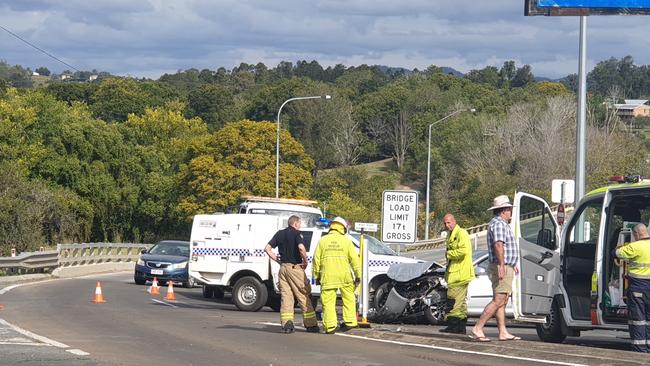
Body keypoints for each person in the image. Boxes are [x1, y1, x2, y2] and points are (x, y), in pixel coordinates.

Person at [470, 195, 521, 342]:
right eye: (509, 209)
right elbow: (498, 245)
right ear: (504, 210)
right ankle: (478, 327)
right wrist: (502, 265)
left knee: (502, 299)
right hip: (501, 265)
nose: (511, 212)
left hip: (506, 264)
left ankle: (503, 331)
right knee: (499, 299)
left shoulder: (500, 223)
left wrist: (511, 263)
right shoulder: (499, 224)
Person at [265, 215, 319, 334]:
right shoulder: (296, 234)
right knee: (303, 295)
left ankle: (287, 324)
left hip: (283, 269)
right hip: (295, 268)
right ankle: (311, 325)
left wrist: (277, 260)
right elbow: (301, 248)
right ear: (295, 223)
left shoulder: (279, 233)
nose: (300, 226)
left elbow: (267, 248)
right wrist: (305, 261)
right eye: (299, 224)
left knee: (286, 297)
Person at [312, 216, 361, 334]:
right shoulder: (347, 241)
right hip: (344, 275)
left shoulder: (322, 241)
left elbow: (316, 260)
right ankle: (350, 322)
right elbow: (354, 260)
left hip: (328, 276)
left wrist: (316, 276)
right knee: (349, 298)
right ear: (342, 228)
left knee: (328, 302)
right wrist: (358, 275)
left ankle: (330, 327)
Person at [614, 223, 650, 352]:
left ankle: (640, 348)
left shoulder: (635, 247)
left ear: (637, 234)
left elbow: (616, 253)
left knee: (638, 319)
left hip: (638, 288)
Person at [439, 213, 474, 334]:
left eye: (449, 222)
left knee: (453, 301)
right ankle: (460, 326)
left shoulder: (461, 233)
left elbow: (464, 250)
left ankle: (453, 325)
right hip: (456, 273)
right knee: (461, 303)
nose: (446, 225)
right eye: (445, 223)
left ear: (454, 221)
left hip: (459, 274)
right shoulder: (450, 235)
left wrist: (449, 254)